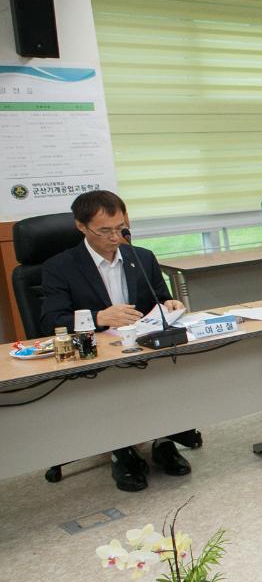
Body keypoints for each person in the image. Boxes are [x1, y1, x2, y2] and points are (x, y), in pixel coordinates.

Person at [39, 190, 195, 491]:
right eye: (105, 231)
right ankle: (120, 451)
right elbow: (49, 321)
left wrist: (171, 304)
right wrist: (99, 317)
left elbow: (159, 300)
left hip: (143, 347)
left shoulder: (141, 256)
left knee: (171, 372)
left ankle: (164, 441)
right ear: (81, 227)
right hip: (96, 355)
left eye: (121, 228)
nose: (115, 238)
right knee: (114, 388)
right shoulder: (60, 267)